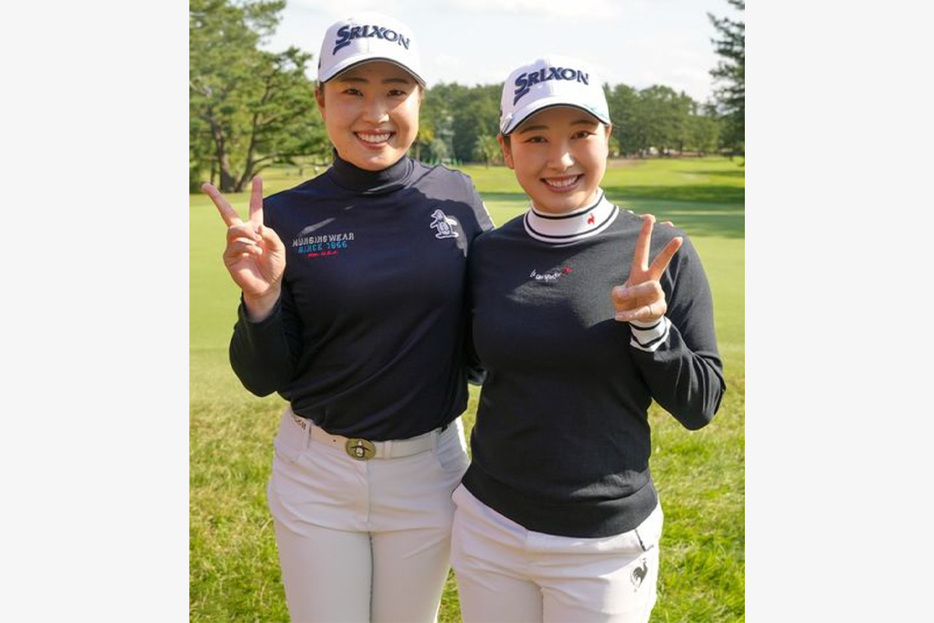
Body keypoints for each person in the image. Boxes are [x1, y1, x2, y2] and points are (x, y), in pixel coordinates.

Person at [202, 12, 493, 622]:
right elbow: (262, 376)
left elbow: (486, 341)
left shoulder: (457, 198)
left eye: (395, 91)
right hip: (317, 474)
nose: (375, 113)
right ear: (321, 100)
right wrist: (262, 299)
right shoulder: (283, 215)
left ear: (418, 99)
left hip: (429, 468)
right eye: (352, 91)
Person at [450, 55, 726, 623]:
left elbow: (700, 405)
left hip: (603, 545)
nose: (561, 158)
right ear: (506, 150)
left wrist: (652, 329)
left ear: (608, 138)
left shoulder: (661, 250)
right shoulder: (489, 253)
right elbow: (473, 366)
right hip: (489, 526)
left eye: (581, 133)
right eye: (535, 137)